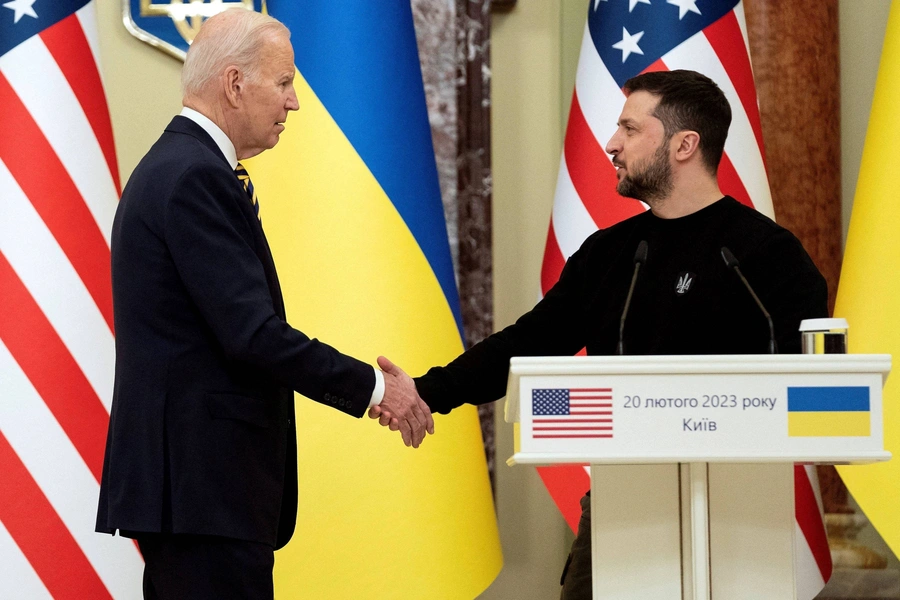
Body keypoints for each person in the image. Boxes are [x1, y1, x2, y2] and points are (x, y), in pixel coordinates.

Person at [371, 69, 828, 599]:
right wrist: (426, 391)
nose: (611, 143)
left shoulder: (767, 256)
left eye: (630, 129)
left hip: (747, 511)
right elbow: (526, 344)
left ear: (684, 144)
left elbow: (819, 381)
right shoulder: (610, 255)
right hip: (621, 502)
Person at [95, 9, 431, 599]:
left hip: (202, 497)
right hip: (204, 495)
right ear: (233, 84)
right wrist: (377, 390)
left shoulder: (183, 168)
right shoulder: (193, 177)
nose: (294, 102)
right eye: (283, 83)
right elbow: (253, 335)